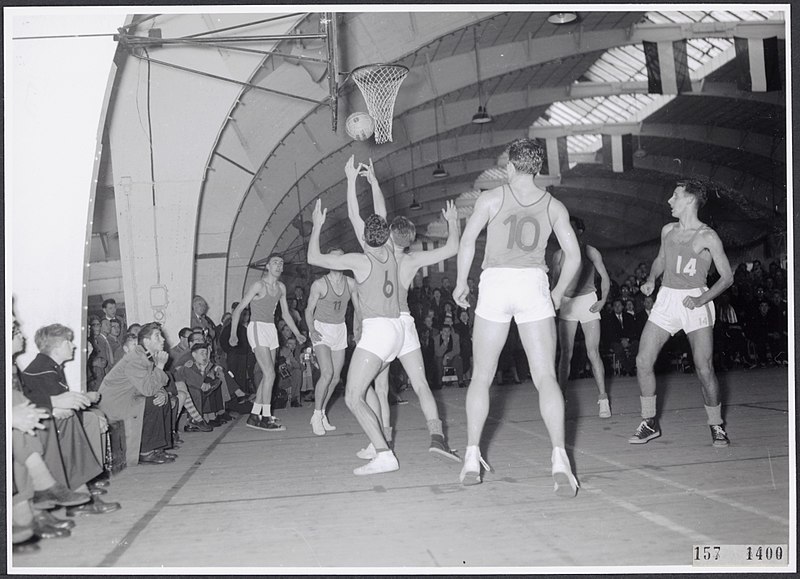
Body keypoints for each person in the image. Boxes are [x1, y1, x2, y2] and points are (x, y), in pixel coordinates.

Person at [452, 138, 581, 496]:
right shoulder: (554, 205)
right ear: (538, 169)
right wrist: (557, 293)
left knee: (481, 376)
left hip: (496, 282)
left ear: (509, 167)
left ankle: (471, 457)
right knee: (545, 377)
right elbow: (574, 257)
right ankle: (559, 460)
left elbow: (467, 243)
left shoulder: (491, 197)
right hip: (532, 284)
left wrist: (461, 282)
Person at [355, 158, 461, 461]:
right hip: (406, 325)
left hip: (385, 324)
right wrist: (453, 221)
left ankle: (383, 441)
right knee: (420, 383)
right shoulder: (412, 259)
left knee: (379, 384)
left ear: (389, 235)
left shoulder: (382, 253)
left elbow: (378, 214)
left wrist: (373, 182)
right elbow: (452, 249)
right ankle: (437, 437)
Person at [306, 155, 403, 476]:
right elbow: (376, 214)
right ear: (386, 233)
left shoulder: (360, 262)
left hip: (377, 332)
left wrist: (318, 226)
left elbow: (314, 256)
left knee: (351, 396)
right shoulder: (390, 248)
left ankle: (384, 453)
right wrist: (373, 182)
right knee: (370, 389)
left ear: (364, 237)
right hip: (396, 330)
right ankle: (378, 442)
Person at [629, 178, 733, 447]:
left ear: (690, 199)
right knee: (642, 360)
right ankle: (649, 421)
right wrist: (652, 278)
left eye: (675, 196)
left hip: (695, 298)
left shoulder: (707, 236)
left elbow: (727, 278)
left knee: (704, 367)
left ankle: (716, 425)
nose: (669, 201)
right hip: (667, 299)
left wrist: (702, 300)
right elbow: (661, 260)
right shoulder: (668, 231)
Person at [229, 254, 306, 431]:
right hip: (257, 328)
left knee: (268, 374)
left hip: (272, 330)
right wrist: (233, 334)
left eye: (281, 263)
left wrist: (297, 333)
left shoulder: (281, 287)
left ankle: (255, 415)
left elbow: (286, 314)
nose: (279, 266)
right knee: (270, 374)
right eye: (275, 263)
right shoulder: (258, 285)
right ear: (267, 266)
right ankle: (265, 417)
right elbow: (239, 309)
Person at [551, 216, 611, 416]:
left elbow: (605, 278)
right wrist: (555, 305)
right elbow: (554, 285)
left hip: (588, 300)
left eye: (571, 228)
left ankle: (603, 399)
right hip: (567, 302)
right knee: (565, 354)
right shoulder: (558, 255)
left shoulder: (590, 251)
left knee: (592, 352)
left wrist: (602, 301)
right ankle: (561, 398)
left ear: (579, 231)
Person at [98, 322, 177, 465]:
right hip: (115, 403)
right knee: (153, 402)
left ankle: (158, 448)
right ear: (147, 341)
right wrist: (160, 366)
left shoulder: (145, 356)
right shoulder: (136, 359)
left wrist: (162, 393)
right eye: (157, 336)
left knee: (163, 399)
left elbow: (150, 381)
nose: (163, 340)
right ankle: (145, 452)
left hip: (128, 397)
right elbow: (147, 389)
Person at [304, 253, 358, 435]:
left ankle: (322, 413)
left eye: (340, 258)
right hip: (321, 329)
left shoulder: (350, 283)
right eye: (333, 258)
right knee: (326, 373)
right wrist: (311, 328)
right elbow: (309, 309)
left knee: (335, 378)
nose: (337, 261)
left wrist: (358, 329)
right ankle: (316, 415)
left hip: (340, 329)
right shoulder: (319, 284)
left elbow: (358, 309)